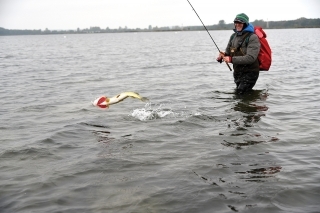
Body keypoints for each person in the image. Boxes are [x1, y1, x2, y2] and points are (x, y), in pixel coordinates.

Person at [217, 13, 260, 94]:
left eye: (240, 23)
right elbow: (228, 53)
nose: (237, 25)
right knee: (240, 96)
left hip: (250, 72)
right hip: (237, 72)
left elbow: (251, 58)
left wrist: (231, 59)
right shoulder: (233, 36)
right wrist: (222, 57)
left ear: (245, 24)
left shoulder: (253, 37)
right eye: (236, 22)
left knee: (240, 94)